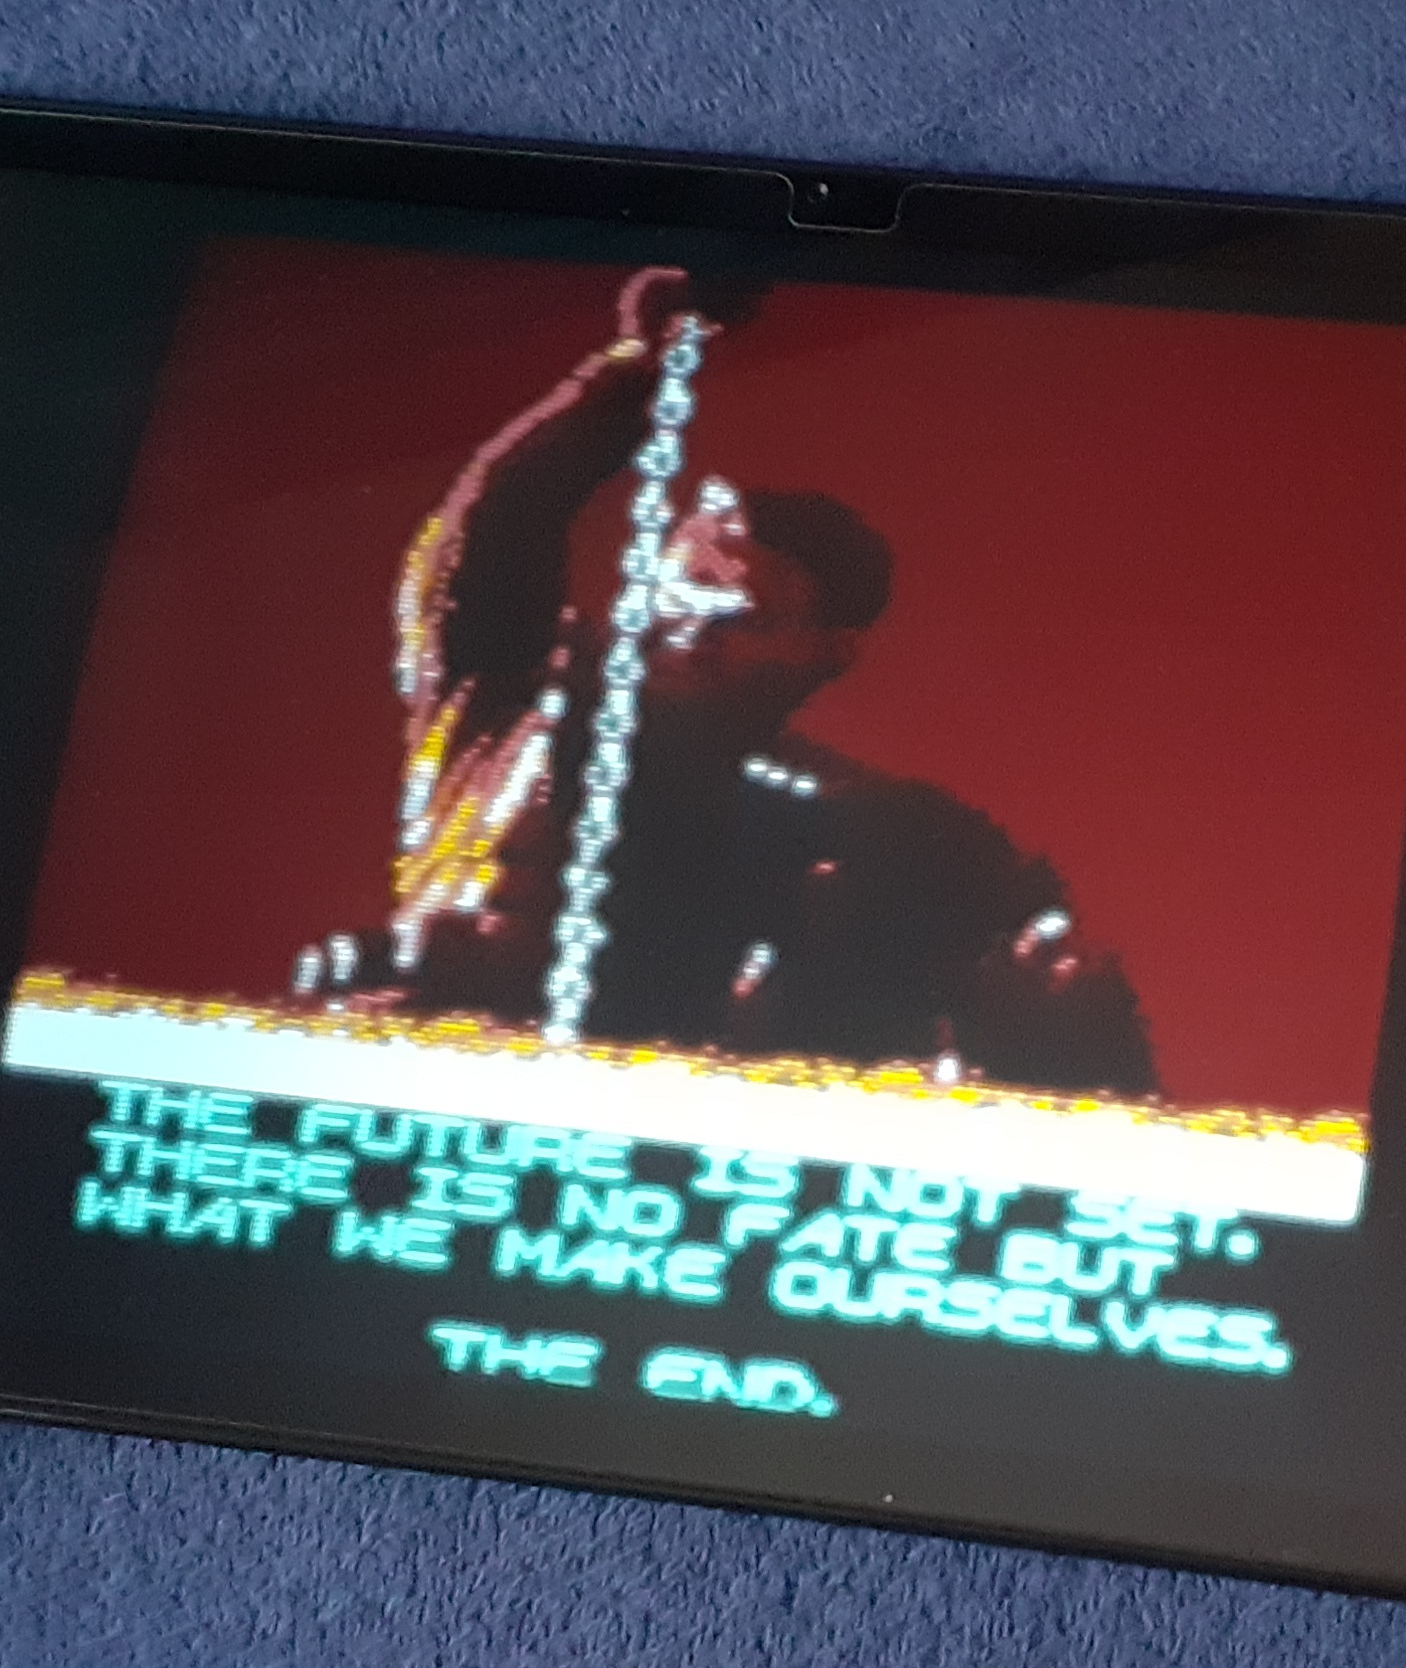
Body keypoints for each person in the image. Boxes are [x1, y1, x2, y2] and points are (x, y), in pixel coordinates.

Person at [286, 266, 1155, 1096]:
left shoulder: (866, 832)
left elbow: (1039, 990)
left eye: (744, 619)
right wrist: (629, 374)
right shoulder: (513, 701)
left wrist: (1048, 1026)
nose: (689, 630)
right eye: (678, 591)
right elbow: (491, 531)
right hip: (410, 1086)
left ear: (824, 654)